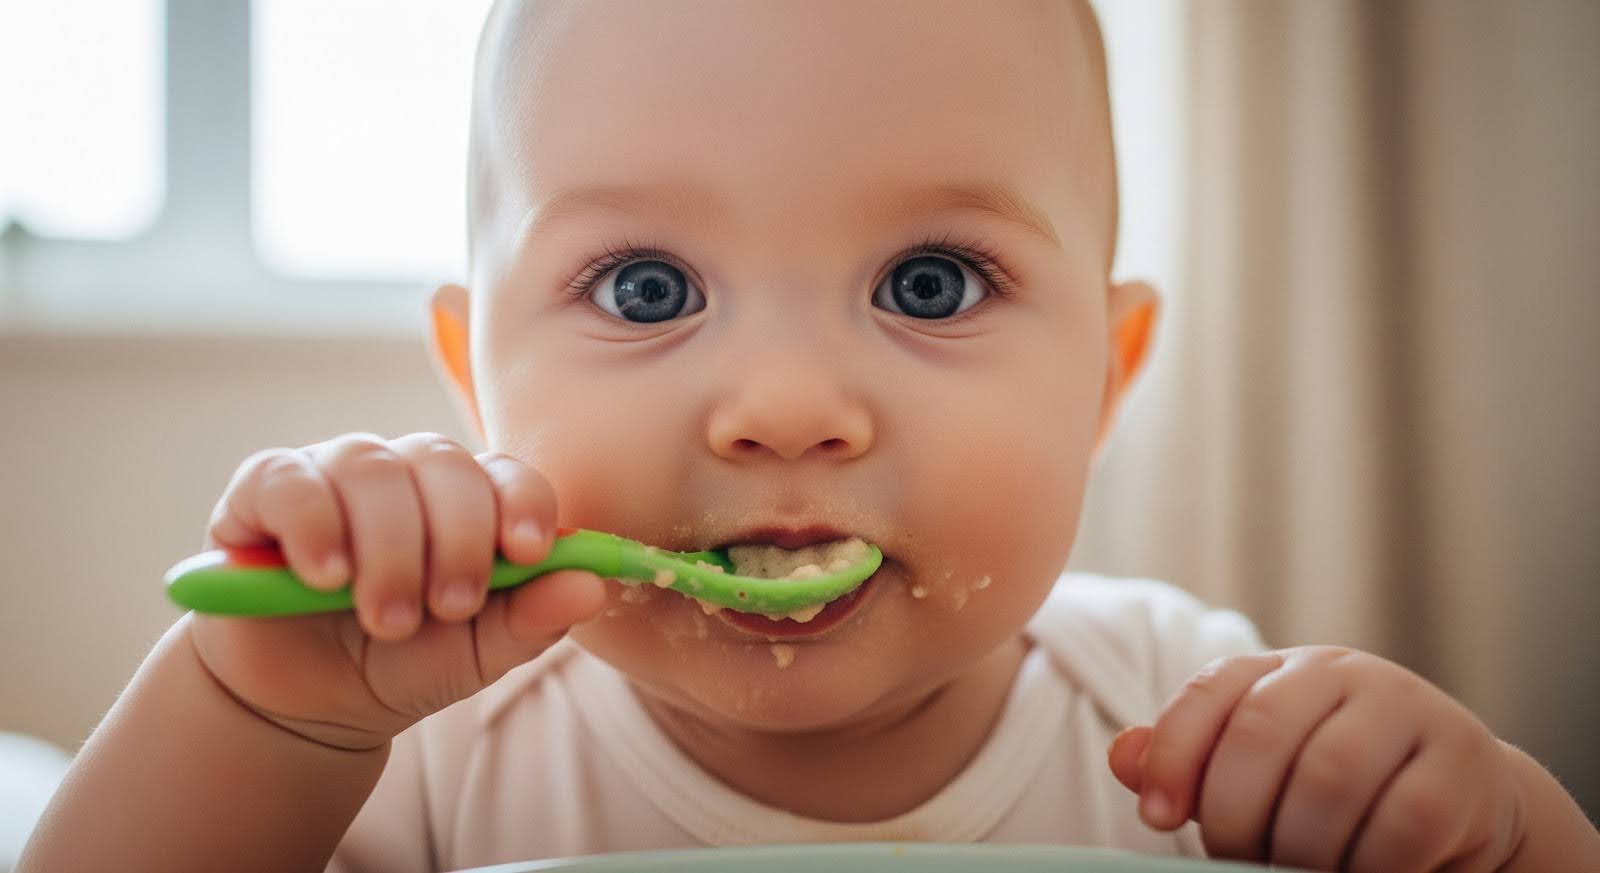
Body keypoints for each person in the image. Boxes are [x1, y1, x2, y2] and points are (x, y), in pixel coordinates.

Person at [20, 1, 1600, 871]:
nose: (781, 406)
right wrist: (269, 718)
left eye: (930, 281)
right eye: (646, 286)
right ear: (475, 381)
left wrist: (1502, 832)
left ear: (1105, 380)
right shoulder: (423, 768)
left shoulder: (1194, 732)